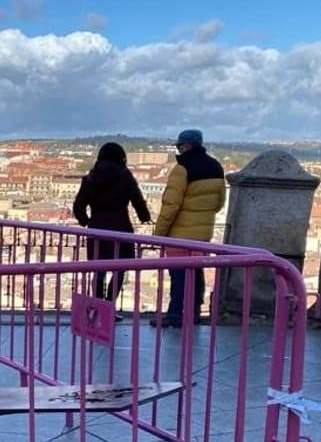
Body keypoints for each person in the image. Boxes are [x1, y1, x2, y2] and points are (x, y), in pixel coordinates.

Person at [152, 129, 226, 327]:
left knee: (178, 275)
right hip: (203, 233)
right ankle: (193, 313)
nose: (179, 148)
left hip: (180, 233)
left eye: (179, 145)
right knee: (196, 273)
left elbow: (171, 205)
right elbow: (219, 203)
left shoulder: (182, 169)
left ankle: (175, 314)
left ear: (185, 146)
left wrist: (158, 235)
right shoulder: (216, 167)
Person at [72, 142, 152, 307]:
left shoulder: (91, 178)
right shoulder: (126, 177)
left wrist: (86, 222)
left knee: (99, 270)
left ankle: (99, 307)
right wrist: (145, 217)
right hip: (121, 229)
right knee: (119, 269)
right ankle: (110, 306)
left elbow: (78, 206)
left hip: (97, 229)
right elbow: (138, 201)